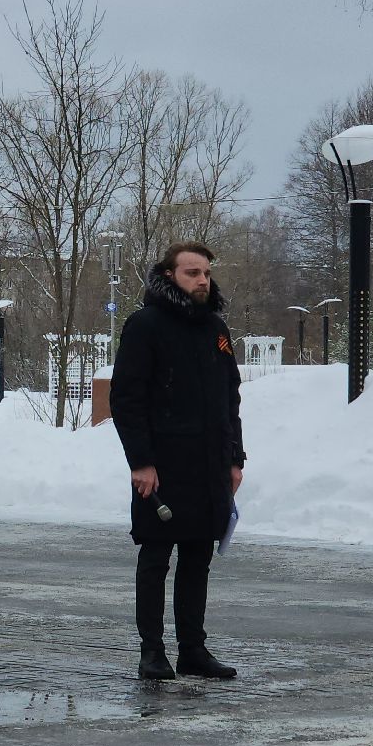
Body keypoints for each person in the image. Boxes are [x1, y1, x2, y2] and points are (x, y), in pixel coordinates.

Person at [108, 241, 245, 682]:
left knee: (197, 558)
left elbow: (230, 399)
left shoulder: (215, 329)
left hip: (207, 466)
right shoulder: (145, 325)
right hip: (163, 466)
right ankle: (152, 652)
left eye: (205, 272)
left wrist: (234, 459)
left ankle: (193, 650)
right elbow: (126, 399)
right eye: (191, 273)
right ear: (168, 276)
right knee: (155, 558)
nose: (202, 280)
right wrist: (141, 462)